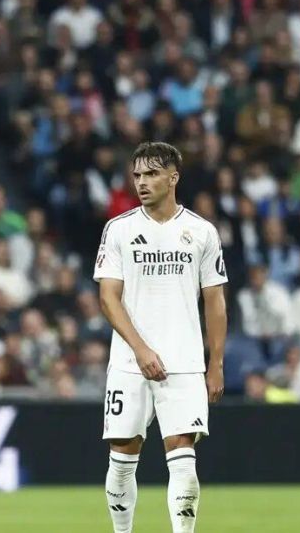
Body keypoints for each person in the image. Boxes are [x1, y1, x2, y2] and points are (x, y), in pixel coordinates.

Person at [94, 142, 228, 533]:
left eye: (151, 174)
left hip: (184, 361)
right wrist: (139, 349)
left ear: (173, 178)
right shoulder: (118, 229)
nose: (141, 182)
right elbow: (107, 297)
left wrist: (215, 363)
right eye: (137, 175)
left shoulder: (201, 232)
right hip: (128, 362)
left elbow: (215, 302)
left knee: (183, 457)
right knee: (121, 456)